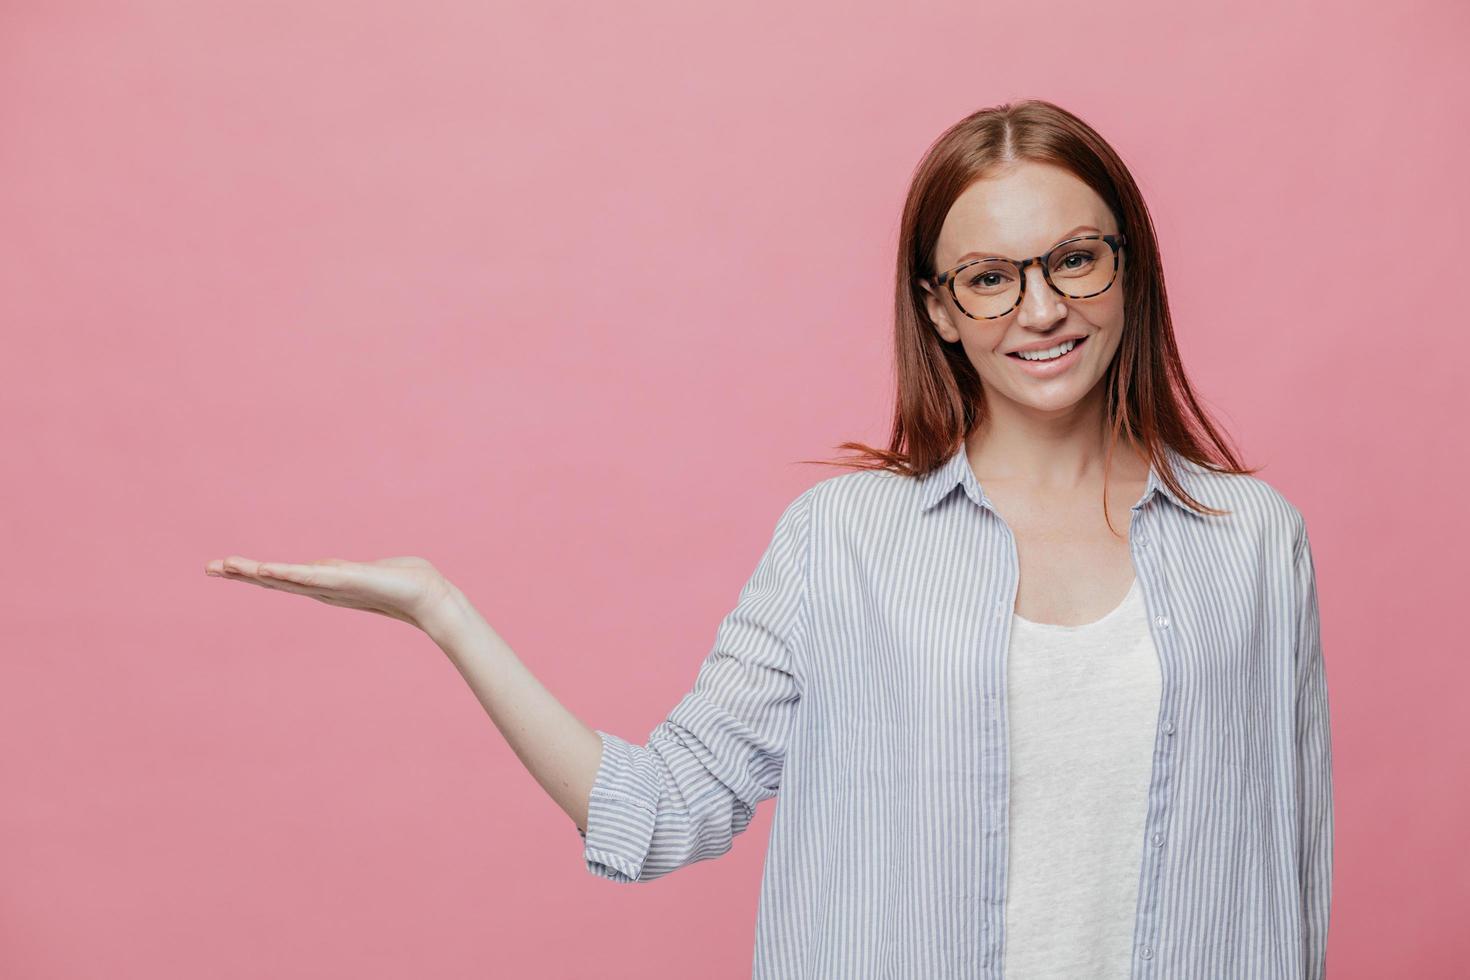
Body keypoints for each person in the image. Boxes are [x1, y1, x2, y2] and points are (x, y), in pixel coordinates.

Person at [205, 99, 1333, 979]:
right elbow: (657, 810)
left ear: (1127, 265)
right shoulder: (843, 543)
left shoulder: (1251, 545)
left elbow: (1293, 876)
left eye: (1074, 258)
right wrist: (438, 608)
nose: (1039, 309)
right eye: (989, 278)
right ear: (938, 307)